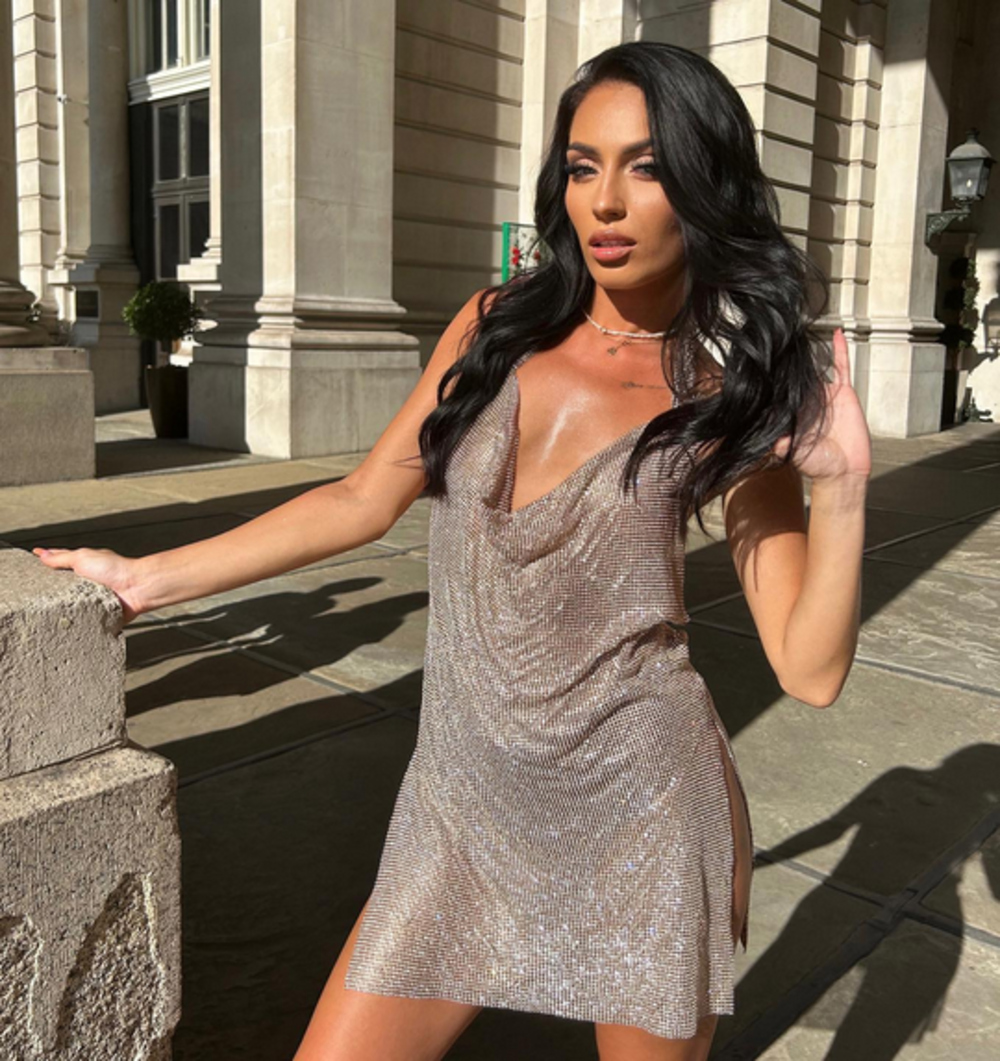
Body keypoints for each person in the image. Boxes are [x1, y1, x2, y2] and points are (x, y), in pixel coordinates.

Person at [33, 40, 871, 1061]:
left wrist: (841, 484)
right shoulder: (493, 328)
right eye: (583, 166)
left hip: (641, 808)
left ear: (704, 187)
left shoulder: (722, 402)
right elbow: (359, 500)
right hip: (462, 802)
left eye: (646, 168)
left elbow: (809, 669)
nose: (606, 201)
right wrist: (143, 579)